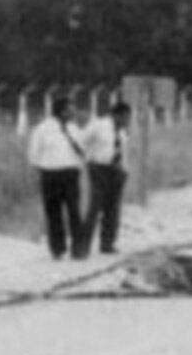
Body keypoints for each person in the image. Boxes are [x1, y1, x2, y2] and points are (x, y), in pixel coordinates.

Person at [27, 96, 87, 260]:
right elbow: (33, 154)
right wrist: (45, 167)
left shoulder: (75, 129)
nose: (73, 112)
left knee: (74, 211)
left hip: (71, 174)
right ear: (61, 111)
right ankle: (57, 248)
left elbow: (84, 150)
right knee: (53, 213)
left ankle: (78, 248)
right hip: (50, 175)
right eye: (70, 109)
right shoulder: (42, 129)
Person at [81, 100, 132, 255]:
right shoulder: (98, 125)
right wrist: (88, 159)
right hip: (99, 168)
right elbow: (82, 141)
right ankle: (83, 245)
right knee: (95, 207)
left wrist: (125, 170)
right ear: (117, 115)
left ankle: (107, 243)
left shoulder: (122, 133)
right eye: (126, 117)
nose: (127, 121)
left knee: (113, 209)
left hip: (116, 170)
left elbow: (123, 152)